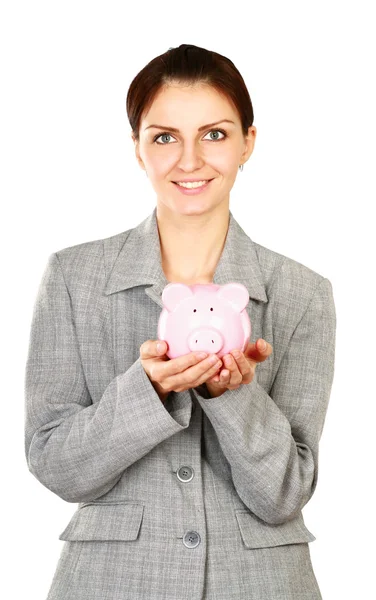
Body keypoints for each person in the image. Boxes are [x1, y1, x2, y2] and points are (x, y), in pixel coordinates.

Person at [24, 44, 336, 600]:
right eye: (164, 137)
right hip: (113, 584)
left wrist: (233, 396)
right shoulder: (74, 277)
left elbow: (285, 494)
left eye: (214, 134)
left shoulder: (303, 293)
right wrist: (146, 391)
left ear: (248, 144)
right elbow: (57, 466)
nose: (189, 160)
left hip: (260, 584)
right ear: (138, 150)